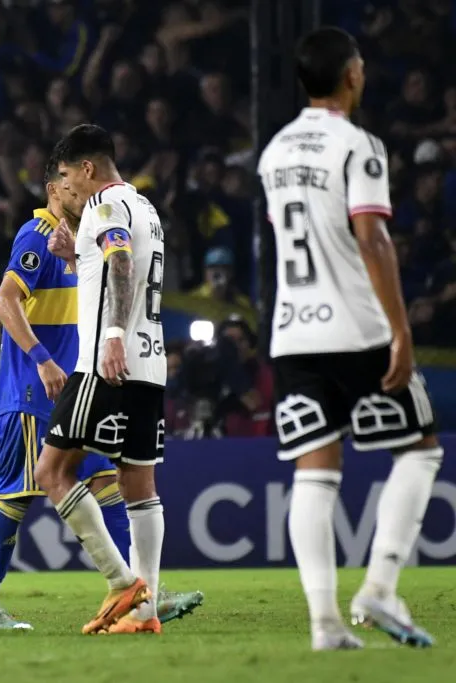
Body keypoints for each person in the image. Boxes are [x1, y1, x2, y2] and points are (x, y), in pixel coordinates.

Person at [257, 26, 441, 650]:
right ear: (352, 75)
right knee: (419, 451)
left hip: (292, 333)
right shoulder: (358, 146)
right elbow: (371, 237)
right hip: (356, 327)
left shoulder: (274, 151)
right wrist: (401, 330)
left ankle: (325, 623)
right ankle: (381, 586)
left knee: (315, 472)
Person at [0, 160, 203, 630]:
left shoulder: (88, 232)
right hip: (41, 388)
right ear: (54, 189)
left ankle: (140, 591)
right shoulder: (38, 233)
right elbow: (4, 301)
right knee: (17, 496)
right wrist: (42, 359)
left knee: (108, 483)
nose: (79, 193)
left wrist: (75, 260)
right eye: (68, 187)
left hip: (88, 380)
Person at [33, 124, 167, 635]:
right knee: (139, 482)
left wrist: (111, 333)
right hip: (150, 362)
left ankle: (120, 581)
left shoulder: (103, 204)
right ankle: (145, 612)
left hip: (104, 364)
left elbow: (119, 260)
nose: (65, 187)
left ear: (87, 168)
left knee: (51, 472)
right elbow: (112, 261)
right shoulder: (145, 207)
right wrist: (76, 257)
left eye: (67, 175)